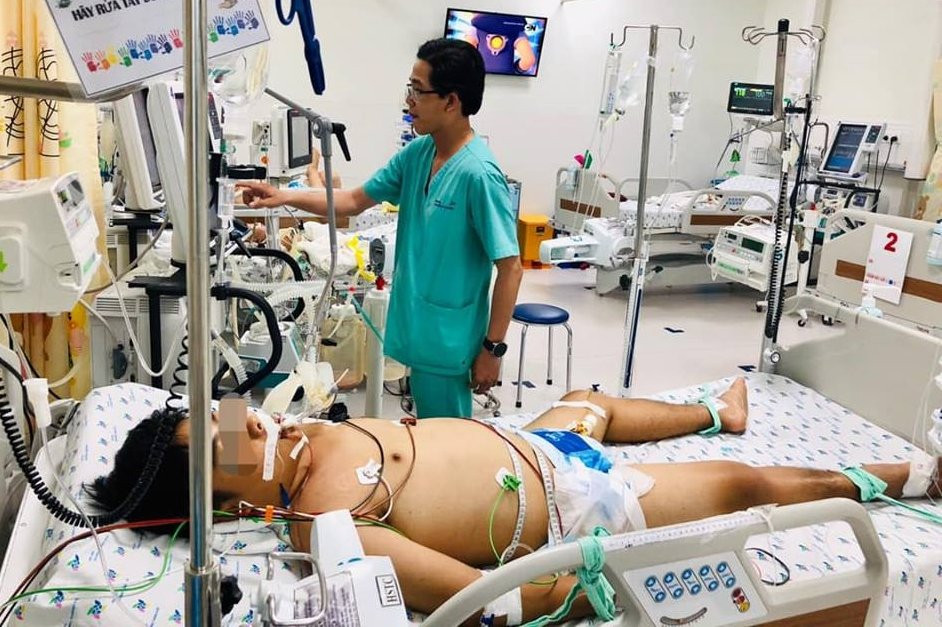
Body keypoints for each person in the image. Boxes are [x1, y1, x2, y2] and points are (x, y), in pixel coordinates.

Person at [90, 378, 940, 626]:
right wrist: (597, 584)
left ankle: (720, 406)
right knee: (741, 484)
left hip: (534, 445)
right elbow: (492, 593)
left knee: (589, 401)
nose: (246, 420)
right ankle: (907, 478)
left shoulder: (307, 435)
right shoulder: (330, 525)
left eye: (225, 413)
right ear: (230, 509)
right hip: (580, 508)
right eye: (224, 441)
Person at [237, 38, 523, 419]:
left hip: (449, 341)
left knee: (448, 441)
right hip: (421, 330)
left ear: (451, 102)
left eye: (418, 91)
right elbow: (353, 200)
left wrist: (493, 349)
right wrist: (281, 196)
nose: (408, 101)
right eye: (409, 88)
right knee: (426, 435)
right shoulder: (419, 154)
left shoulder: (479, 175)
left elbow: (511, 268)